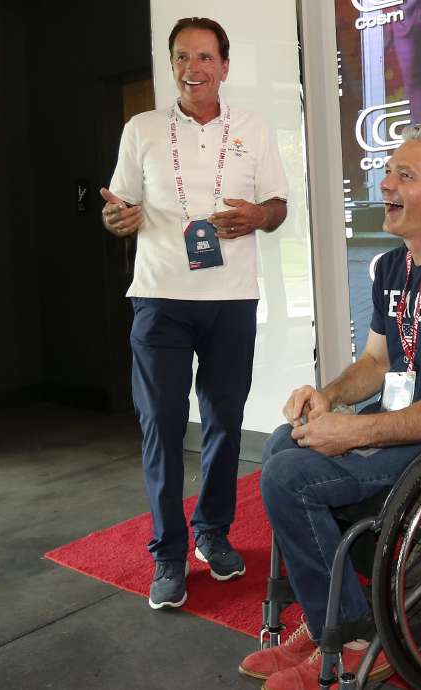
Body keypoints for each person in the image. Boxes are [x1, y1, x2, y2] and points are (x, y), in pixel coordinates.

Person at [238, 124, 421, 689]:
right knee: (285, 441)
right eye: (388, 172)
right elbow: (378, 364)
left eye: (404, 176)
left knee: (290, 476)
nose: (384, 184)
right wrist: (328, 396)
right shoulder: (392, 268)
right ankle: (324, 619)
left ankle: (353, 637)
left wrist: (358, 435)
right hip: (403, 431)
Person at [100, 17, 289, 609]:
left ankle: (211, 531)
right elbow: (119, 207)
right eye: (182, 57)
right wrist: (115, 221)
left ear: (224, 67)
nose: (193, 69)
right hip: (159, 297)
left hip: (232, 297)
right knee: (160, 427)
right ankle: (168, 553)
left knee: (225, 422)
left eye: (205, 57)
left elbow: (279, 205)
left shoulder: (254, 127)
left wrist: (259, 217)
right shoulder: (142, 129)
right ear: (173, 65)